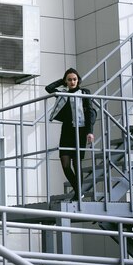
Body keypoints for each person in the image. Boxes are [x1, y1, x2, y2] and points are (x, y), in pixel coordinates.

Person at [45, 68, 95, 200]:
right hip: (67, 130)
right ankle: (79, 191)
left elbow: (89, 113)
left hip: (81, 129)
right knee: (65, 163)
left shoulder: (84, 92)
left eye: (74, 79)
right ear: (66, 81)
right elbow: (48, 88)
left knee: (76, 163)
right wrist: (61, 81)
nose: (72, 82)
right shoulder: (63, 93)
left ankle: (78, 194)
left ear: (78, 80)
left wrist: (90, 132)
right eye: (69, 79)